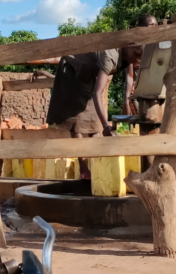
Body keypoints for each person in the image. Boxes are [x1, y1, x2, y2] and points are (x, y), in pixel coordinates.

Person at [46, 44, 144, 179]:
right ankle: (84, 169)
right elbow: (97, 94)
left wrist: (124, 107)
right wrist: (105, 125)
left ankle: (97, 165)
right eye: (137, 54)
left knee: (92, 121)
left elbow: (126, 83)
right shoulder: (110, 57)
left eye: (141, 56)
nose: (138, 59)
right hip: (72, 70)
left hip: (87, 76)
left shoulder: (127, 59)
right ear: (128, 46)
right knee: (78, 121)